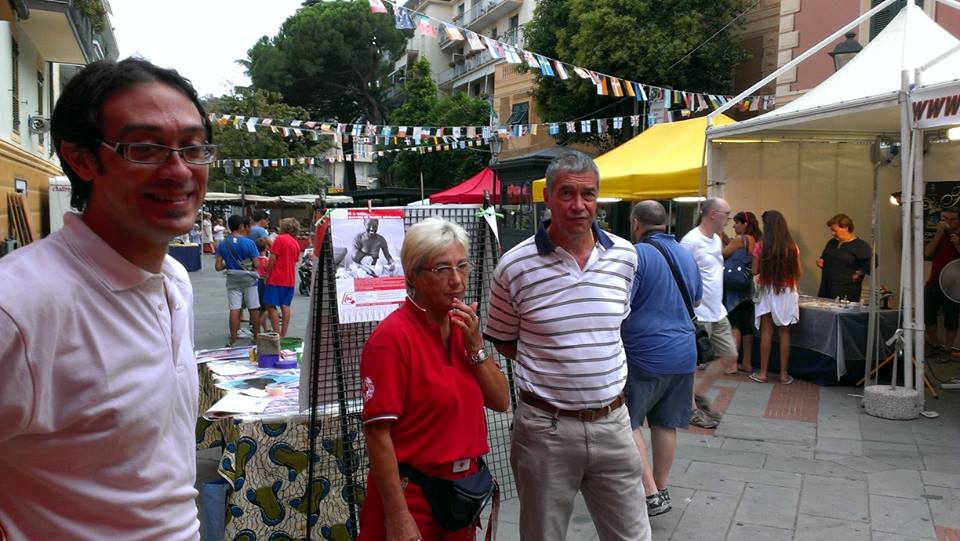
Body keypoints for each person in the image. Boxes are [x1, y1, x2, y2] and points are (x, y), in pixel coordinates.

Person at [0, 58, 215, 539]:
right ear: (80, 158)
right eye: (144, 148)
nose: (179, 170)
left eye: (193, 148)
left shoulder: (174, 280)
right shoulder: (18, 305)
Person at [485, 150, 652, 541]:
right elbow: (507, 342)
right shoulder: (514, 266)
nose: (579, 206)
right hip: (546, 429)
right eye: (567, 194)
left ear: (598, 198)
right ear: (548, 198)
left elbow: (612, 327)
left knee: (633, 535)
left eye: (588, 195)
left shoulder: (626, 257)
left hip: (613, 424)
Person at [358, 217, 509, 541]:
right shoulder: (392, 338)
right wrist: (397, 516)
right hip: (413, 494)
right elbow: (377, 434)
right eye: (442, 269)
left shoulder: (461, 327)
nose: (456, 280)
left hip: (461, 492)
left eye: (462, 266)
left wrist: (476, 349)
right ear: (414, 275)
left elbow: (501, 401)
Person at [622, 201, 702, 518]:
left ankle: (650, 493)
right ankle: (662, 486)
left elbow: (624, 302)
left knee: (626, 421)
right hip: (684, 352)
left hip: (646, 351)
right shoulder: (685, 253)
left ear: (636, 222)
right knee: (666, 422)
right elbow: (696, 297)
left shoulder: (638, 254)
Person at [680, 198, 740, 429]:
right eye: (728, 214)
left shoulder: (716, 239)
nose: (730, 219)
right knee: (691, 364)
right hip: (699, 313)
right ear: (714, 214)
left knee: (729, 355)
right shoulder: (690, 242)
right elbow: (683, 276)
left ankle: (699, 393)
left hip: (718, 311)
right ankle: (691, 407)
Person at [750, 210, 801, 384]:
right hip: (786, 290)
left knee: (766, 331)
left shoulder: (761, 245)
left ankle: (763, 373)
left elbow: (755, 270)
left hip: (766, 289)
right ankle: (783, 374)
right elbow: (798, 272)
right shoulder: (792, 246)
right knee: (785, 331)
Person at [723, 211, 762, 373]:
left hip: (735, 288)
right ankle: (746, 363)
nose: (734, 225)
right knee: (747, 326)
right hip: (747, 285)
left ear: (745, 224)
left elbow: (722, 253)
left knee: (734, 323)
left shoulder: (741, 240)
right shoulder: (755, 240)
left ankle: (732, 363)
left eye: (737, 222)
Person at [216, 214, 261, 346]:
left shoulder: (223, 244)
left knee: (234, 309)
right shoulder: (250, 243)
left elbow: (218, 267)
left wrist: (230, 263)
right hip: (249, 280)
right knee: (253, 308)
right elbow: (257, 264)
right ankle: (256, 337)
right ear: (241, 226)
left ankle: (233, 339)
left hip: (233, 280)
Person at [924, 207, 960, 350]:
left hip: (953, 285)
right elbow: (927, 253)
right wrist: (938, 234)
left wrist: (957, 244)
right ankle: (935, 344)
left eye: (952, 219)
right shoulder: (940, 235)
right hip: (934, 282)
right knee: (928, 317)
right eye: (945, 219)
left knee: (951, 320)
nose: (948, 222)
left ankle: (948, 348)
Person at [816, 213, 872, 302]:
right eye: (831, 230)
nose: (832, 233)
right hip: (826, 287)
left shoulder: (859, 245)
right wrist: (821, 261)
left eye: (835, 230)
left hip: (846, 290)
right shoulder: (832, 243)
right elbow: (825, 256)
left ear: (846, 228)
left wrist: (859, 272)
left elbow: (872, 261)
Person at [264, 217, 301, 338]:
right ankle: (284, 334)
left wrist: (267, 273)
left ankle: (276, 332)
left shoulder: (280, 239)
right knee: (285, 305)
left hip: (277, 277)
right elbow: (295, 260)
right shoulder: (296, 243)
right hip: (289, 279)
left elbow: (273, 258)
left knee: (270, 305)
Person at [254, 236, 273, 333]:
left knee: (261, 308)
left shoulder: (255, 260)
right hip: (265, 283)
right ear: (266, 248)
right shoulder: (267, 260)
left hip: (256, 282)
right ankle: (257, 327)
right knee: (267, 308)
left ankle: (265, 328)